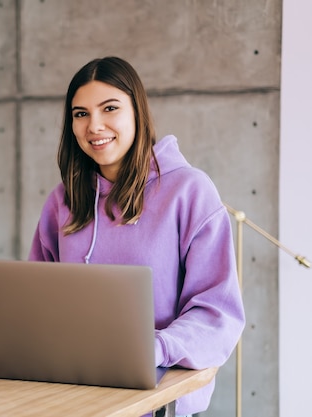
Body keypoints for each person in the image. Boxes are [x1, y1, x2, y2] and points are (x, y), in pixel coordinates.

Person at [28, 56, 245, 417]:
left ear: (137, 111)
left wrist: (153, 348)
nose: (94, 125)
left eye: (109, 108)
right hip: (71, 395)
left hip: (154, 398)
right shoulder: (63, 199)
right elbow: (36, 297)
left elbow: (216, 312)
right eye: (80, 114)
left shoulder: (189, 190)